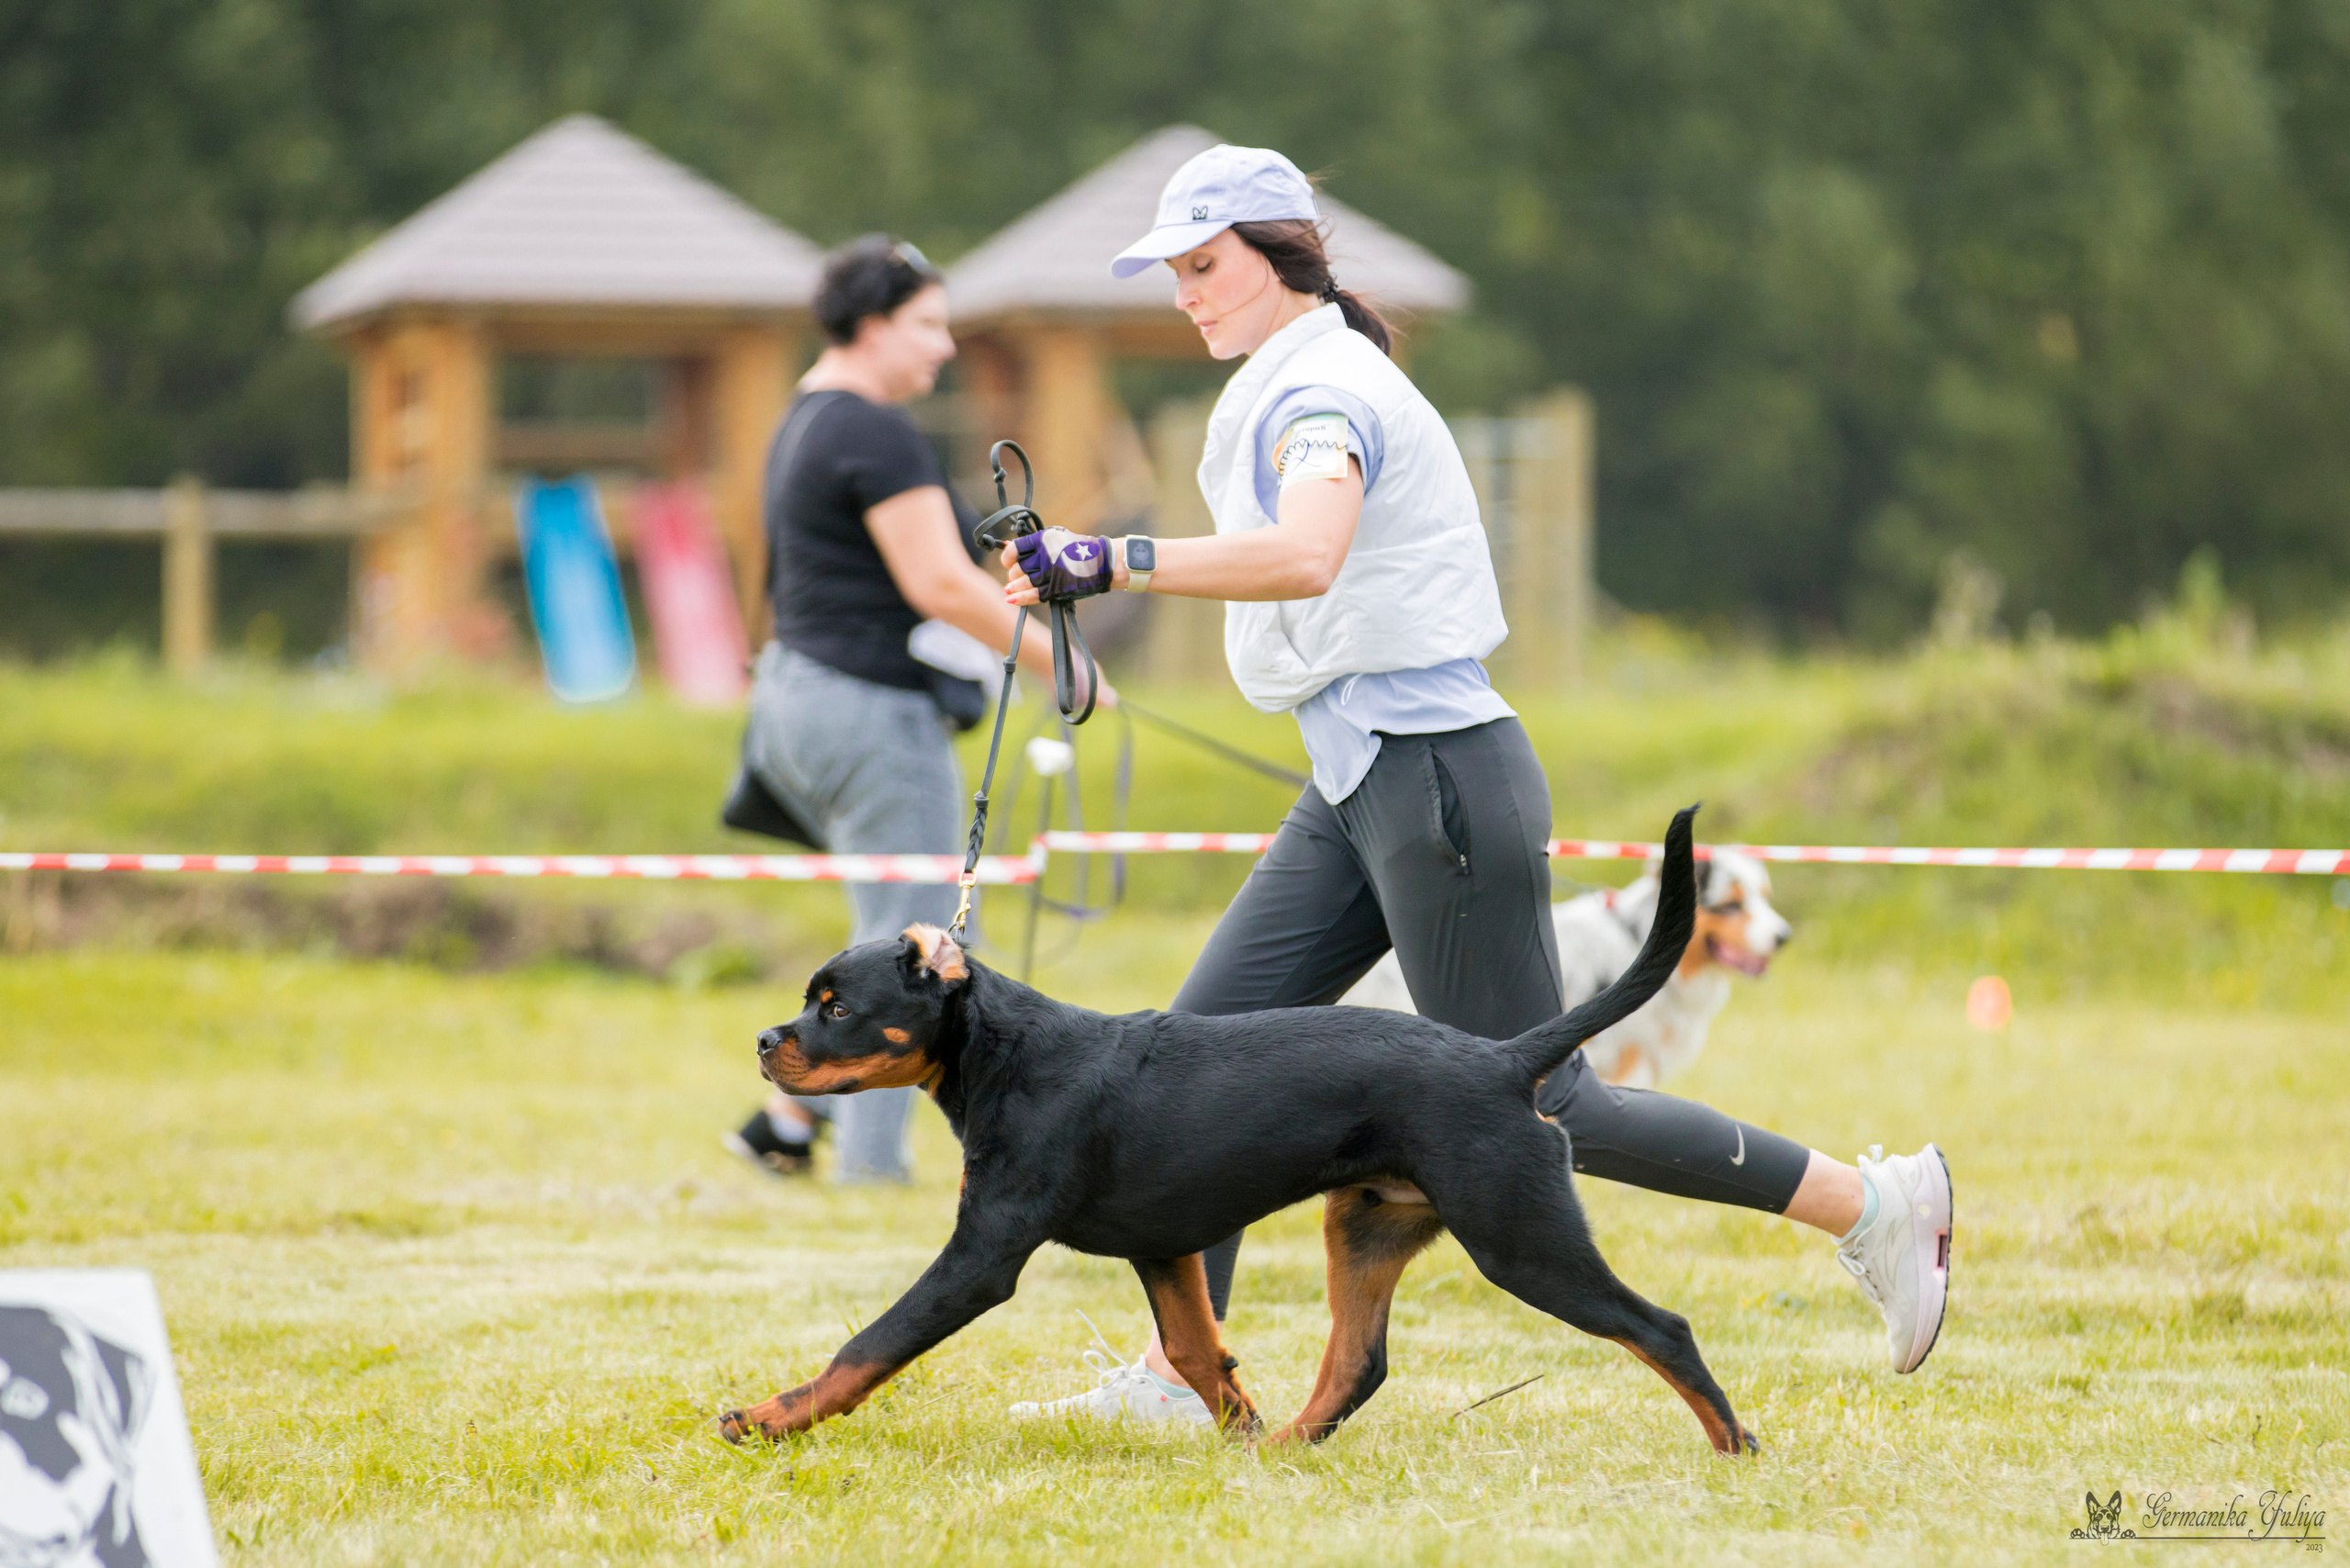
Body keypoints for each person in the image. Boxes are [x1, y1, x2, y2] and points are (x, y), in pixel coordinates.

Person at [999, 145, 1951, 1422]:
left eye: (1205, 264)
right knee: (1185, 1077)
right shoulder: (1297, 377)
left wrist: (1112, 558)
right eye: (1174, 271)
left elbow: (1306, 552)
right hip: (1358, 786)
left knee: (1545, 1102)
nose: (1185, 293)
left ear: (1280, 258)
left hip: (1435, 784)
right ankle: (1182, 1377)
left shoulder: (1322, 391)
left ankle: (1877, 1204)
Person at [721, 235, 1106, 1183]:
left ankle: (788, 1121)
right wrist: (1062, 662)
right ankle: (871, 1170)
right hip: (866, 708)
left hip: (793, 698)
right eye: (928, 324)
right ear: (870, 323)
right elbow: (936, 581)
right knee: (919, 951)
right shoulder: (874, 430)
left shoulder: (804, 418)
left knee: (884, 926)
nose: (945, 345)